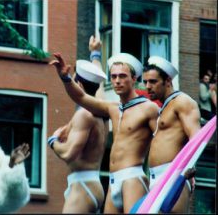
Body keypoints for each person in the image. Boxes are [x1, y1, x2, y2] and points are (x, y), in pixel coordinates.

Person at [50, 48, 159, 213]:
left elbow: (163, 139)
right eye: (113, 76)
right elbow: (81, 97)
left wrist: (166, 175)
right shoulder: (112, 108)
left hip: (133, 178)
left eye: (122, 76)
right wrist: (65, 78)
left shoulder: (148, 108)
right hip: (113, 180)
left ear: (134, 79)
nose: (117, 81)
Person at [48, 36, 109, 213]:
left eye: (73, 80)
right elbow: (100, 84)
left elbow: (69, 154)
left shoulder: (84, 114)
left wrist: (53, 141)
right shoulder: (101, 107)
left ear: (79, 84)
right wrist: (95, 54)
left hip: (83, 187)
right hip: (93, 184)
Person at [142, 56, 201, 213]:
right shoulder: (164, 107)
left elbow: (197, 138)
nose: (148, 86)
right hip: (156, 178)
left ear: (167, 80)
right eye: (145, 82)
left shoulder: (182, 101)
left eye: (153, 82)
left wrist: (188, 169)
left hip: (175, 175)